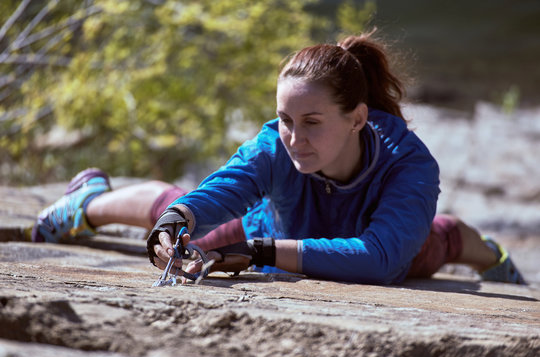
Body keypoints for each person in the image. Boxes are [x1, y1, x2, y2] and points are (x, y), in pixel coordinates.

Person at [32, 31, 526, 285]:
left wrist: (262, 252)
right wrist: (174, 220)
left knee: (445, 238)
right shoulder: (277, 143)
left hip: (392, 245)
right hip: (278, 230)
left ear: (357, 118)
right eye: (284, 119)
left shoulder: (410, 166)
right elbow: (228, 185)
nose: (292, 137)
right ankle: (89, 201)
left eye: (311, 122)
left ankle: (499, 258)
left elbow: (378, 260)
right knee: (186, 209)